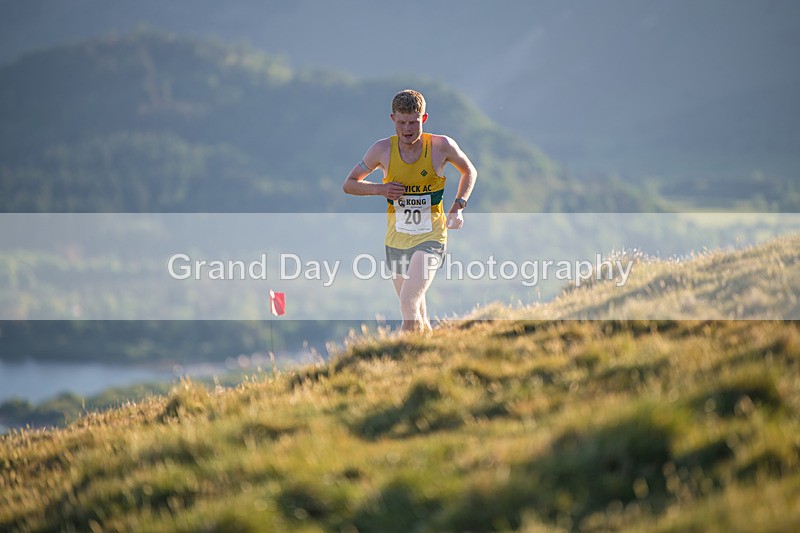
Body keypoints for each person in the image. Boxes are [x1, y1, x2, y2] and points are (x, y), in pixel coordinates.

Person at [343, 89, 477, 332]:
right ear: (392, 119)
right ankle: (428, 356)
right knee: (418, 315)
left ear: (423, 119)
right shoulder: (382, 150)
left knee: (408, 303)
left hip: (431, 238)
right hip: (397, 240)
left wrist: (459, 206)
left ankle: (399, 358)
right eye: (402, 122)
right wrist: (380, 190)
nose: (407, 129)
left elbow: (469, 171)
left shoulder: (441, 146)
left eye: (413, 122)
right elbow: (349, 184)